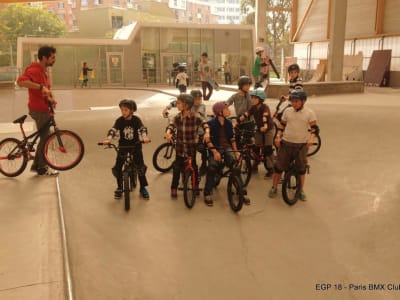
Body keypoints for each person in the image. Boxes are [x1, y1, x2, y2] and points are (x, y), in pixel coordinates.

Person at [268, 91, 319, 201]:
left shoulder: (309, 113)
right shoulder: (287, 111)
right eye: (292, 101)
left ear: (303, 101)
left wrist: (311, 139)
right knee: (279, 167)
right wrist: (278, 136)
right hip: (286, 143)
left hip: (301, 145)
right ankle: (274, 187)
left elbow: (315, 129)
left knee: (301, 169)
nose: (294, 103)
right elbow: (282, 125)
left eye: (297, 101)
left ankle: (300, 190)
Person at [16, 45, 58, 176]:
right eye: (52, 57)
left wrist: (52, 98)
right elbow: (20, 82)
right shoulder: (34, 69)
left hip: (44, 108)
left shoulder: (44, 71)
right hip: (38, 109)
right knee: (46, 138)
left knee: (46, 136)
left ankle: (37, 165)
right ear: (44, 58)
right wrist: (40, 87)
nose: (54, 60)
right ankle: (41, 167)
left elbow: (47, 89)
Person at [203, 102, 250, 206]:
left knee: (235, 166)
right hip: (215, 148)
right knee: (211, 167)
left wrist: (236, 151)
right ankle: (207, 192)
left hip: (227, 148)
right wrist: (214, 152)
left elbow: (232, 139)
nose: (229, 111)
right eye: (226, 109)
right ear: (220, 112)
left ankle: (241, 191)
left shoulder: (229, 123)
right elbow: (208, 141)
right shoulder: (210, 124)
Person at [103, 99, 151, 199]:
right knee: (118, 167)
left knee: (140, 167)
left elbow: (142, 128)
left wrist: (144, 137)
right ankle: (119, 187)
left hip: (135, 146)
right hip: (123, 147)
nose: (123, 112)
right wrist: (108, 139)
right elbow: (113, 130)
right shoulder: (119, 120)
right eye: (122, 110)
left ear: (132, 110)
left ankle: (143, 187)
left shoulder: (136, 120)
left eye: (125, 110)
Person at [165, 94, 210, 198]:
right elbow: (171, 125)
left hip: (191, 148)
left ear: (186, 105)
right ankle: (174, 188)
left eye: (179, 103)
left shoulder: (195, 116)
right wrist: (168, 133)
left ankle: (195, 184)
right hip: (180, 147)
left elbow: (205, 124)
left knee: (193, 166)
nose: (177, 104)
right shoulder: (177, 117)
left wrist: (207, 132)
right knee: (176, 168)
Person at [239, 88, 275, 178]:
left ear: (260, 99)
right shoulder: (254, 107)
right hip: (259, 129)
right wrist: (237, 121)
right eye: (252, 97)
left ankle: (271, 169)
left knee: (268, 149)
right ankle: (255, 164)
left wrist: (265, 126)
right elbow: (246, 114)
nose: (252, 99)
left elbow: (265, 117)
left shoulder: (265, 107)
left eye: (255, 98)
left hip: (268, 130)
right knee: (256, 148)